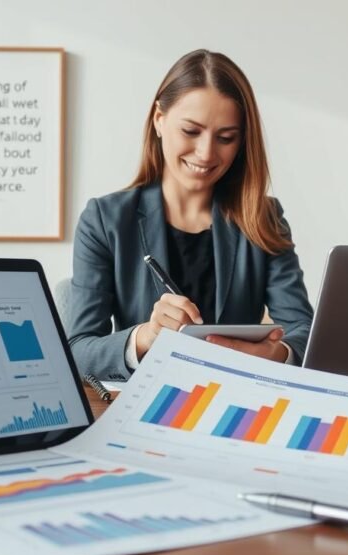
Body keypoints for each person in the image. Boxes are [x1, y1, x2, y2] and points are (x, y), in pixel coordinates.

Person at [67, 49, 313, 382]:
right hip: (145, 402)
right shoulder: (105, 219)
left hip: (235, 398)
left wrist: (278, 354)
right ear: (159, 119)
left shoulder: (263, 216)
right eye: (191, 131)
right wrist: (144, 337)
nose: (206, 153)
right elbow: (78, 352)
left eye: (226, 138)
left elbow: (303, 329)